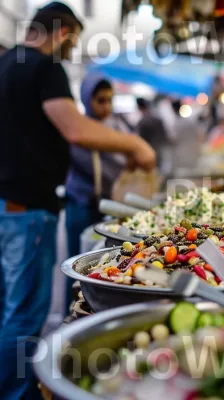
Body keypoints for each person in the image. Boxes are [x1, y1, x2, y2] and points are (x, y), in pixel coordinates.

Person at [0, 3, 155, 398]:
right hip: (28, 209)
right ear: (64, 32)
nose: (70, 50)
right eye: (73, 40)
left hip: (7, 203)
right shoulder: (44, 66)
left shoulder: (5, 64)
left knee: (6, 307)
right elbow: (74, 128)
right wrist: (134, 143)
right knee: (23, 314)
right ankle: (18, 393)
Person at [64, 73, 128, 311]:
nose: (106, 107)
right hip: (81, 203)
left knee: (105, 262)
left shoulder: (118, 127)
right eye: (100, 100)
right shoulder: (78, 130)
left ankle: (101, 306)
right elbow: (112, 162)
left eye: (110, 100)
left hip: (109, 204)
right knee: (77, 265)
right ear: (86, 99)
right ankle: (72, 313)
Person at [137, 98, 170, 173]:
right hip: (160, 151)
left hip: (149, 152)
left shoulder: (142, 122)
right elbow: (165, 135)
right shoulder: (157, 118)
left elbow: (140, 140)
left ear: (139, 107)